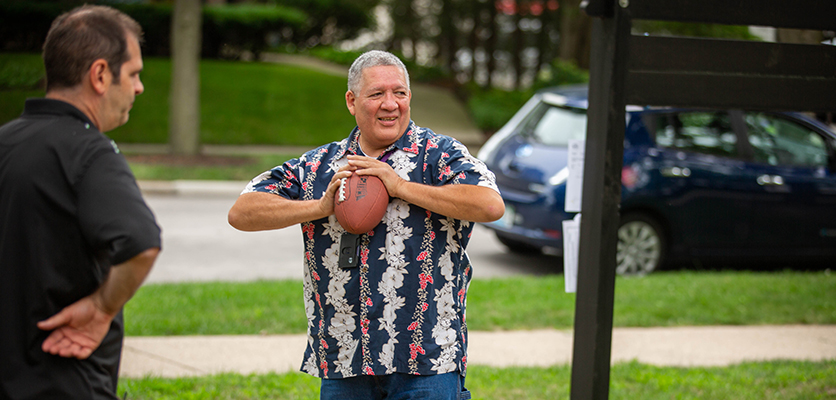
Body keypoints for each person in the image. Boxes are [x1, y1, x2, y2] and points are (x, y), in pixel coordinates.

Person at [228, 50, 504, 399]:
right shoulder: (319, 166)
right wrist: (319, 206)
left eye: (400, 93)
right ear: (352, 101)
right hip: (346, 360)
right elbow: (242, 212)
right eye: (377, 94)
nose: (391, 104)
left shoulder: (439, 155)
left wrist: (400, 187)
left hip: (426, 362)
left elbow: (490, 204)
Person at [0, 5, 161, 399]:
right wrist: (101, 310)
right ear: (101, 74)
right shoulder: (90, 151)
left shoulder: (5, 142)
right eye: (134, 73)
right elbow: (142, 243)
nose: (139, 87)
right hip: (64, 379)